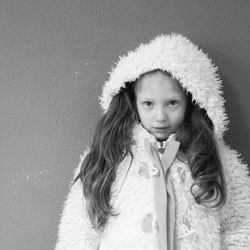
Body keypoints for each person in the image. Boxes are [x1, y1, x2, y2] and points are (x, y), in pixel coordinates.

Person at [55, 34, 250, 250]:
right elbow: (78, 230)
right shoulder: (109, 156)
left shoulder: (217, 158)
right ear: (133, 102)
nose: (160, 117)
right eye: (148, 103)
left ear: (191, 101)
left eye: (172, 103)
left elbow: (241, 226)